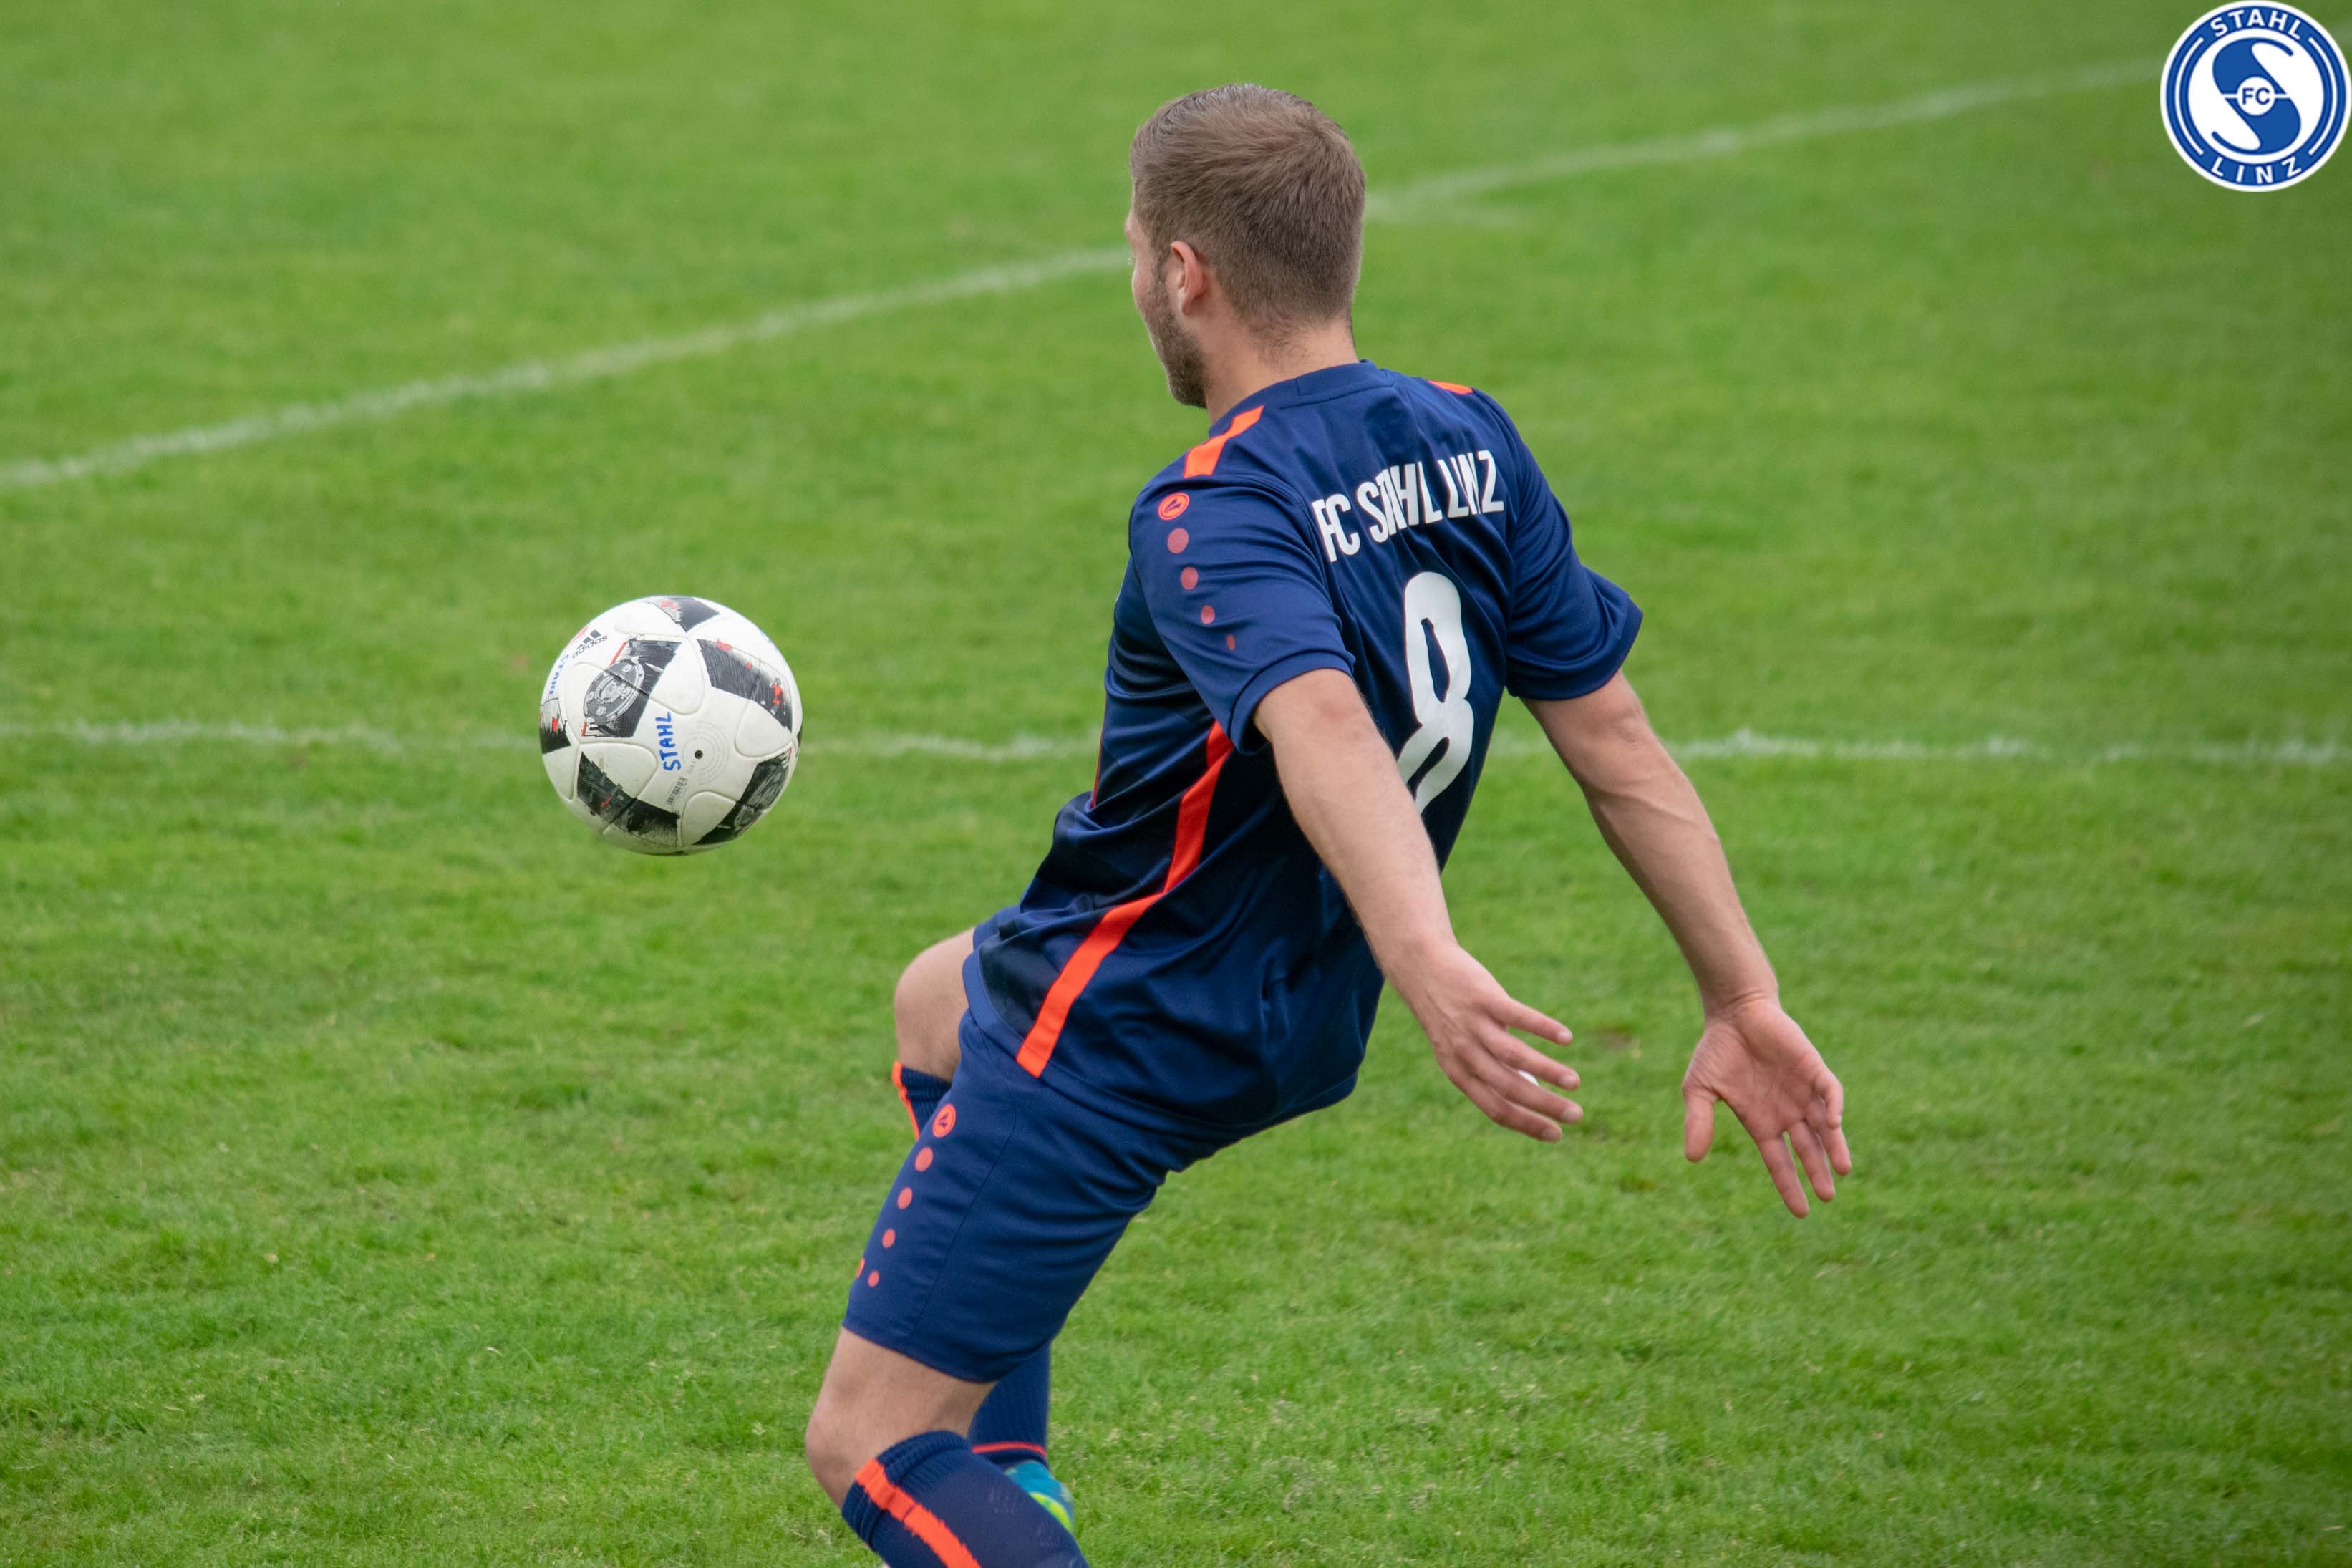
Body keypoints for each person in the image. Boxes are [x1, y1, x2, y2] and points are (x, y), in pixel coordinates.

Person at [803, 83, 1852, 1568]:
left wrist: (1428, 957)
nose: (1133, 279)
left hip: (1131, 1011)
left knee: (867, 1438)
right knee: (935, 1001)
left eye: (1132, 250)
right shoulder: (1468, 439)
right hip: (1300, 1003)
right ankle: (1018, 1484)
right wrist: (1739, 993)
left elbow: (1325, 729)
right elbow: (1612, 737)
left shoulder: (1208, 506)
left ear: (1184, 274)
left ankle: (988, 1505)